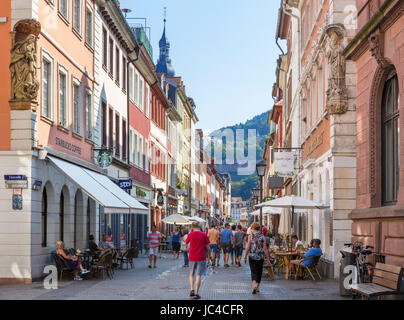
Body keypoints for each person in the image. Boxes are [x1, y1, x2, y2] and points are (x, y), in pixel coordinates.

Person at [186, 222, 211, 300]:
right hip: (201, 257)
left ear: (192, 227)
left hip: (192, 257)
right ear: (200, 227)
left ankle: (191, 289)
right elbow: (208, 248)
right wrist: (209, 257)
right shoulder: (203, 235)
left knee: (191, 273)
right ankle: (196, 293)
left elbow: (186, 243)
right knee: (198, 275)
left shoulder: (191, 234)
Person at [244, 223, 271, 294]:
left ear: (253, 228)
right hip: (260, 257)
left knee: (253, 271)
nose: (251, 230)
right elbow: (265, 248)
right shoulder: (262, 236)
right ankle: (257, 286)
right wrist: (268, 258)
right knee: (259, 272)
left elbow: (248, 247)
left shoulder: (250, 236)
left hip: (252, 256)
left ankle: (254, 286)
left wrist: (245, 256)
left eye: (251, 229)